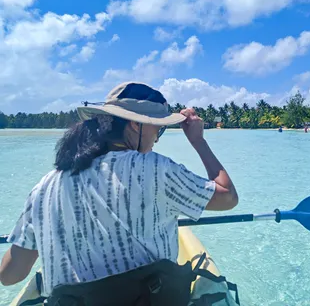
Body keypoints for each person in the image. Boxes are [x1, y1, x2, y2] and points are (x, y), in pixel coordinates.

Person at [0, 81, 238, 304]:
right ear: (136, 125)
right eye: (159, 130)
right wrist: (198, 141)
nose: (157, 138)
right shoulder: (154, 169)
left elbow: (10, 276)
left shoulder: (44, 187)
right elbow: (227, 197)